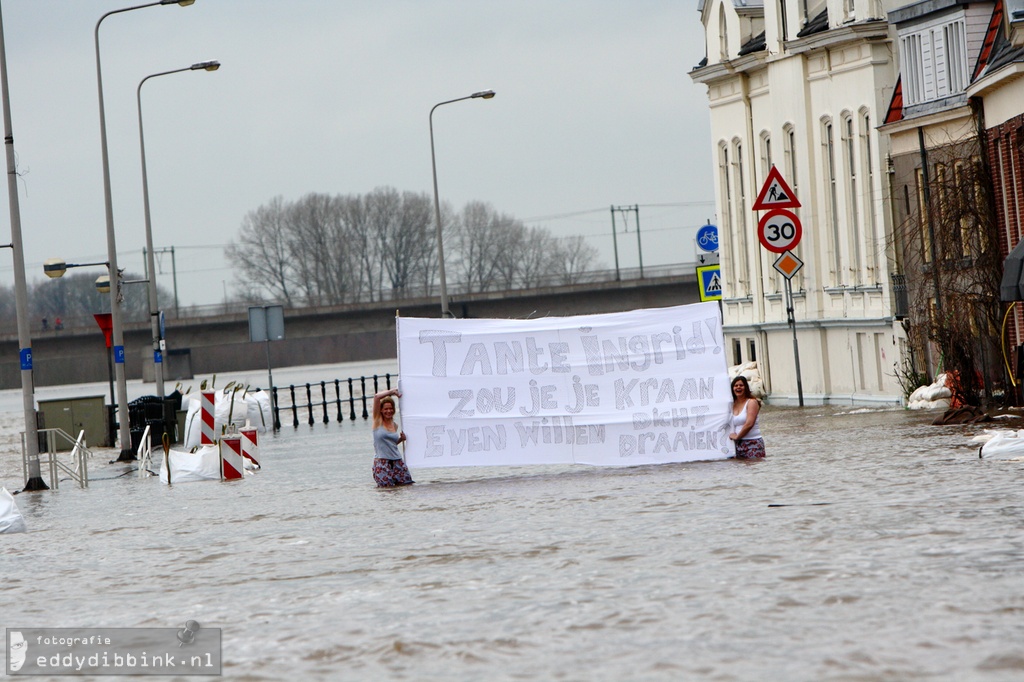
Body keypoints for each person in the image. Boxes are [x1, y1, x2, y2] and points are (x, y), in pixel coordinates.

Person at [371, 387, 414, 487]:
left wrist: (401, 439)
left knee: (407, 486)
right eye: (386, 409)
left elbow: (391, 444)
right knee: (387, 491)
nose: (388, 411)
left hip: (397, 461)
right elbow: (376, 397)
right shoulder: (377, 422)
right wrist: (392, 392)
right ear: (381, 410)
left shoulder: (394, 425)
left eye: (391, 408)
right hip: (382, 462)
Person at [729, 375, 766, 459]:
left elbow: (749, 423)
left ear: (746, 388)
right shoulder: (732, 404)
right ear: (732, 389)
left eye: (741, 385)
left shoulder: (752, 402)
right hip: (737, 444)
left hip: (753, 443)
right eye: (736, 385)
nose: (738, 387)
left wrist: (737, 437)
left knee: (752, 470)